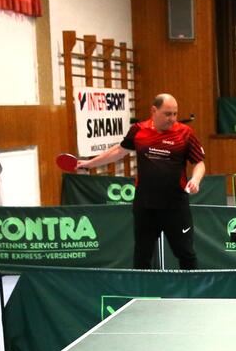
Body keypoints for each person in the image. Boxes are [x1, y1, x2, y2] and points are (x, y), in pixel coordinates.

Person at [77, 93, 205, 269]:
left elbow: (199, 162)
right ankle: (143, 286)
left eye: (175, 114)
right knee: (142, 255)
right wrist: (89, 164)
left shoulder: (185, 133)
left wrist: (196, 179)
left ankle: (191, 287)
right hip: (145, 205)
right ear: (154, 110)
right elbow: (119, 151)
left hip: (175, 205)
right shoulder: (138, 130)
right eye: (167, 114)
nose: (172, 118)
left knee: (186, 253)